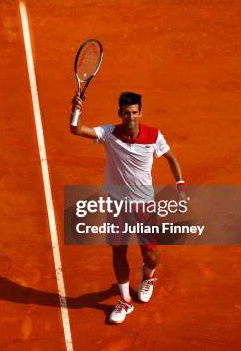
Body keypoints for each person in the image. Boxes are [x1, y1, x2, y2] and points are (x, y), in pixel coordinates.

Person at [70, 91, 186, 324]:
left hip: (144, 204)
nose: (130, 117)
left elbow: (171, 158)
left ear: (140, 113)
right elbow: (77, 129)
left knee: (151, 255)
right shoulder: (110, 133)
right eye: (126, 113)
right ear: (120, 114)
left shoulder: (154, 136)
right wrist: (76, 109)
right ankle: (124, 300)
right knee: (118, 251)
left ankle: (148, 275)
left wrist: (180, 186)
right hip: (117, 203)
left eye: (134, 112)